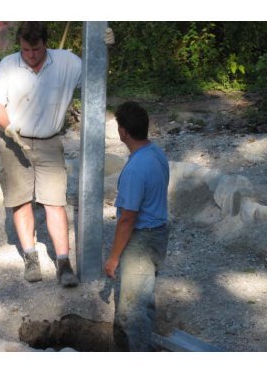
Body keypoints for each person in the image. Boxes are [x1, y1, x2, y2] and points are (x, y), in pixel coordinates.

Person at [0, 22, 114, 287]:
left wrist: (104, 50)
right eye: (25, 49)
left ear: (46, 43)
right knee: (21, 201)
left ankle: (63, 261)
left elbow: (96, 78)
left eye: (35, 49)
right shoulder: (9, 65)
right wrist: (8, 127)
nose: (30, 55)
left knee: (54, 201)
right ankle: (31, 256)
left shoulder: (66, 61)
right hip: (14, 140)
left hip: (49, 141)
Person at [104, 101, 170, 351]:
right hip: (159, 234)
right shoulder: (156, 154)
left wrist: (113, 258)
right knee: (145, 299)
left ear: (123, 132)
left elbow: (127, 219)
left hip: (142, 240)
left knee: (132, 312)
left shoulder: (135, 170)